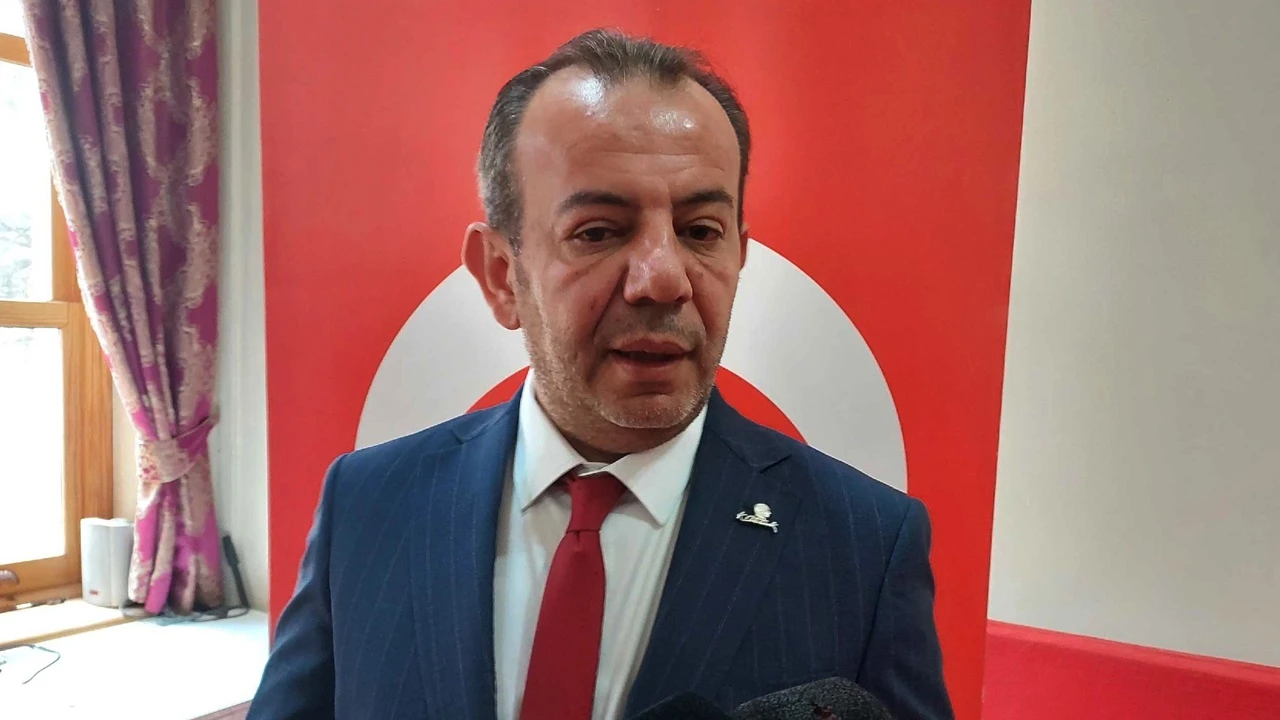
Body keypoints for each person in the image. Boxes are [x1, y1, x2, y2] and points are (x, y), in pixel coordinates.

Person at [248, 29, 953, 720]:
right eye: (598, 231)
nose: (664, 278)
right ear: (501, 276)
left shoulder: (864, 547)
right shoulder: (367, 505)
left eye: (701, 231)